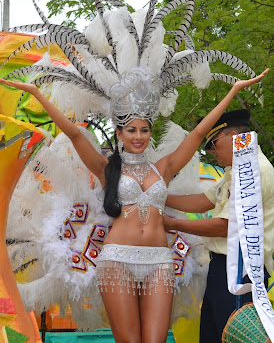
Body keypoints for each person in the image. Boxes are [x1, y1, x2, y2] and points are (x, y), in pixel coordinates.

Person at [0, 70, 268, 342]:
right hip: (117, 261)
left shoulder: (163, 167)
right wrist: (35, 93)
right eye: (131, 130)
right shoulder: (107, 169)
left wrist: (232, 91)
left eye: (144, 130)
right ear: (120, 133)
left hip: (160, 263)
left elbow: (198, 134)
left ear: (150, 132)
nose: (138, 136)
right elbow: (75, 135)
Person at [164, 107, 274, 343]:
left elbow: (226, 226)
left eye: (213, 143)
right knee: (213, 336)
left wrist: (171, 223)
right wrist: (157, 196)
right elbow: (203, 201)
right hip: (221, 269)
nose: (211, 151)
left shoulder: (255, 171)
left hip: (241, 271)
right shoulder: (235, 171)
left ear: (235, 138)